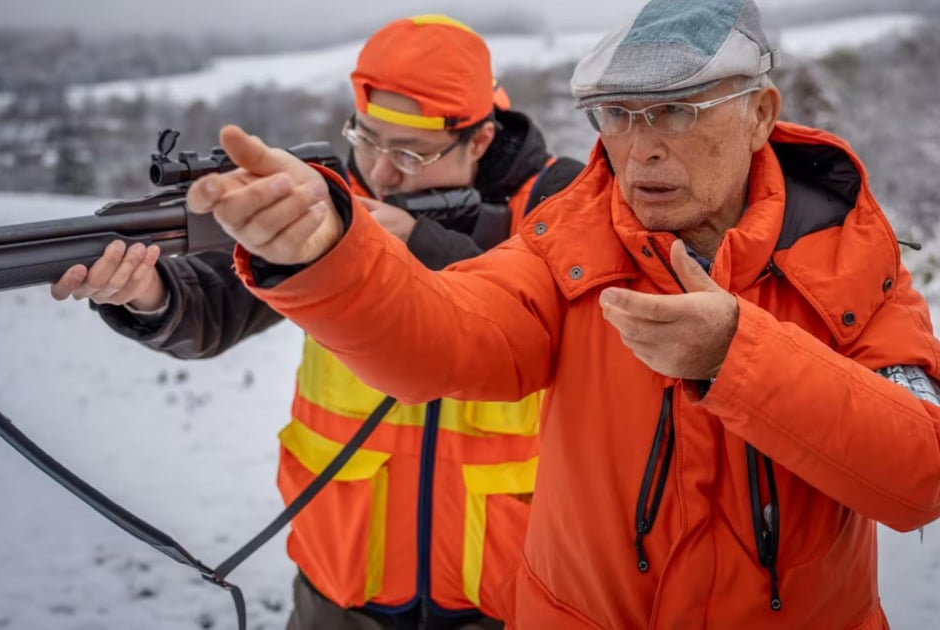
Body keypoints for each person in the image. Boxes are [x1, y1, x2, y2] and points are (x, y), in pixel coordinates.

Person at [185, 0, 940, 627]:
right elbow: (441, 342)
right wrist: (327, 248)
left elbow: (920, 476)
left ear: (760, 113)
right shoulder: (571, 242)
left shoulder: (852, 255)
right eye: (618, 114)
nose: (643, 148)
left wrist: (739, 355)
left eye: (679, 112)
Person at [49, 15, 583, 630]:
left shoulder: (561, 199)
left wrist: (416, 242)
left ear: (481, 140)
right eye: (368, 138)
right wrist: (150, 292)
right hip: (338, 589)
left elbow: (555, 311)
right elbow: (220, 299)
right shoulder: (330, 196)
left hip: (518, 600)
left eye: (411, 152)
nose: (382, 173)